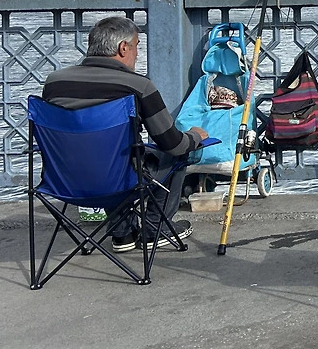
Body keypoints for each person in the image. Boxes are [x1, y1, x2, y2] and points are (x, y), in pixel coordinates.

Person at [41, 16, 209, 251]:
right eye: (137, 46)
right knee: (173, 154)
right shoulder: (137, 86)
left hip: (63, 182)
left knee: (101, 153)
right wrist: (195, 136)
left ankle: (123, 233)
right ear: (123, 48)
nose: (137, 54)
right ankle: (155, 229)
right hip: (120, 181)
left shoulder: (54, 83)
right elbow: (172, 144)